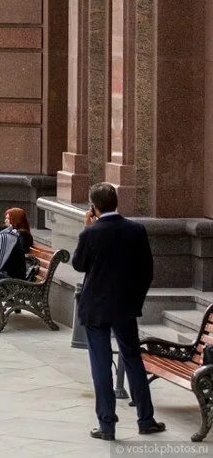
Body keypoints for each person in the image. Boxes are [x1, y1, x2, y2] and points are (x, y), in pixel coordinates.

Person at [73, 182, 164, 441]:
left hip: (95, 309)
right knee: (133, 359)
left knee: (101, 365)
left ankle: (107, 425)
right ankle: (146, 420)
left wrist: (86, 229)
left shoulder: (90, 233)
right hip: (125, 307)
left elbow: (79, 265)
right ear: (116, 202)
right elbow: (147, 271)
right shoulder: (136, 230)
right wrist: (134, 301)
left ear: (94, 207)